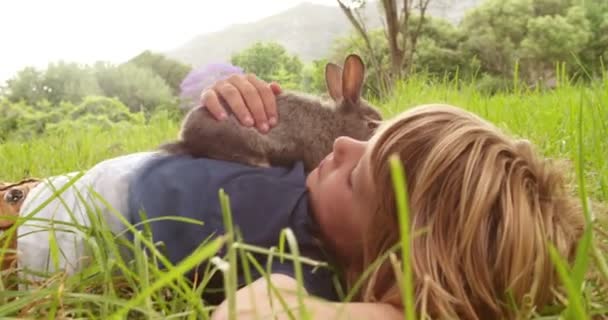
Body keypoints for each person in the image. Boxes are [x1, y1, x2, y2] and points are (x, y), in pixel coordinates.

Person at [13, 73, 584, 320]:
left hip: (38, 229)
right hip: (64, 185)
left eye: (357, 179)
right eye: (369, 140)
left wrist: (391, 308)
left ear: (386, 274)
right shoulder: (317, 197)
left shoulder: (298, 274)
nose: (340, 143)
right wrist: (232, 101)